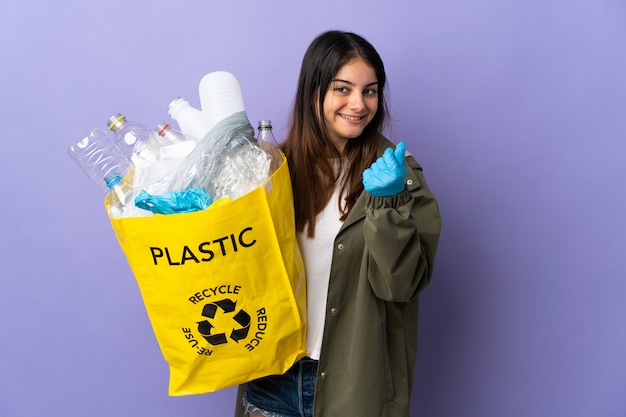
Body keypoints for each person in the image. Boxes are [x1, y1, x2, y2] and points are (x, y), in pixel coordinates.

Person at [235, 30, 441, 417]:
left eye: (370, 91)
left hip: (354, 383)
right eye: (342, 89)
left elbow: (402, 284)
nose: (358, 104)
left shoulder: (399, 174)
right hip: (272, 377)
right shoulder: (272, 171)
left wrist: (387, 204)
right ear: (314, 92)